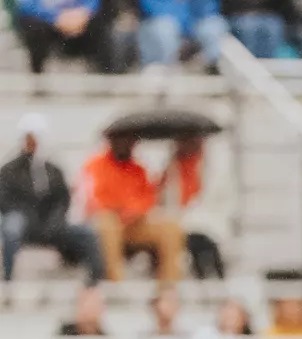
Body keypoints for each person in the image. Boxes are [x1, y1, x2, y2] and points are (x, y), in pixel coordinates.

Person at [1, 115, 104, 285]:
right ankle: (8, 278)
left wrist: (55, 219)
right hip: (24, 222)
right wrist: (28, 215)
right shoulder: (9, 170)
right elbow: (5, 200)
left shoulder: (53, 170)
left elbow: (62, 199)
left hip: (50, 224)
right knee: (11, 228)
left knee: (86, 234)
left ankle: (93, 281)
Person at [82, 134, 184, 283]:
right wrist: (122, 209)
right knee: (107, 225)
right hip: (110, 222)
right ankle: (116, 282)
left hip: (135, 223)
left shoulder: (138, 169)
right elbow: (94, 200)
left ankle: (169, 286)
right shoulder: (95, 166)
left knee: (171, 228)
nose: (127, 144)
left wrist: (135, 210)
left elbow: (148, 198)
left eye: (130, 141)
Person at [13, 0, 103, 73]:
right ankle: (38, 73)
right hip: (46, 22)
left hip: (77, 21)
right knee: (32, 25)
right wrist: (56, 18)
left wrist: (82, 15)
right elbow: (28, 4)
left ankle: (102, 72)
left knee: (100, 22)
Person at [138, 0, 229, 68]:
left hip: (192, 25)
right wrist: (181, 28)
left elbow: (209, 8)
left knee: (216, 26)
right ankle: (164, 71)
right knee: (165, 29)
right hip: (162, 26)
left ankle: (201, 68)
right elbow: (150, 6)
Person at [220, 0, 287, 59]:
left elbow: (272, 3)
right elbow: (227, 5)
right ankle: (249, 61)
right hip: (237, 17)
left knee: (274, 23)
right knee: (248, 26)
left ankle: (269, 60)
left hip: (259, 16)